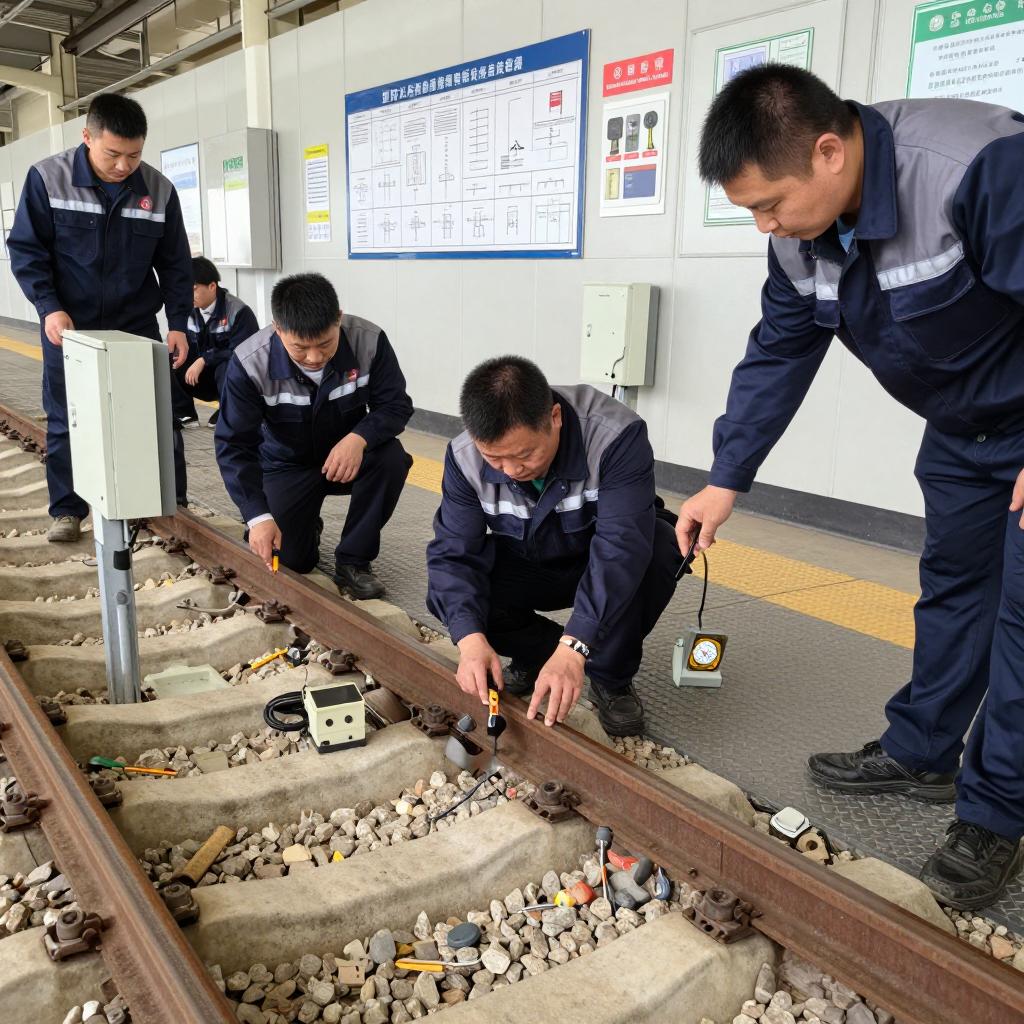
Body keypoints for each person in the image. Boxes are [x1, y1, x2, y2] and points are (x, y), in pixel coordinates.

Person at [679, 64, 1024, 909]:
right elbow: (780, 351)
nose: (766, 226)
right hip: (960, 430)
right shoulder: (801, 237)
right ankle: (922, 752)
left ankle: (998, 814)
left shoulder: (975, 167)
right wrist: (725, 480)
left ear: (828, 151)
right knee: (953, 588)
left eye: (770, 204)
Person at [426, 356, 682, 737]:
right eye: (494, 458)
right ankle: (539, 653)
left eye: (525, 454)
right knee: (456, 593)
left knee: (662, 547)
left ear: (555, 418)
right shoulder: (463, 458)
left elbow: (620, 548)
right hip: (527, 559)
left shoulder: (615, 436)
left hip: (595, 559)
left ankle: (608, 675)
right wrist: (469, 641)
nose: (511, 470)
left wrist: (576, 645)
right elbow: (454, 555)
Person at [7, 92, 192, 541]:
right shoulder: (48, 179)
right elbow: (28, 251)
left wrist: (180, 325)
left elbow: (175, 264)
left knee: (156, 414)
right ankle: (67, 511)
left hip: (136, 322)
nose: (124, 165)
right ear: (87, 136)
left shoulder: (159, 190)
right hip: (70, 326)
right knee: (68, 415)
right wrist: (49, 308)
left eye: (134, 154)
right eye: (113, 153)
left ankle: (171, 505)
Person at [215, 273, 413, 599]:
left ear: (339, 318)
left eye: (324, 344)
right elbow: (234, 444)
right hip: (285, 465)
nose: (314, 357)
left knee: (390, 457)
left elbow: (396, 406)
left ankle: (354, 561)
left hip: (345, 458)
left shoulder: (369, 340)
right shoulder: (250, 363)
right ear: (278, 330)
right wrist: (257, 516)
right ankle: (305, 526)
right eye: (300, 348)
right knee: (292, 560)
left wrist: (358, 438)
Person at [172, 256, 259, 427]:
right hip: (200, 378)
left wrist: (205, 359)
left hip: (228, 378)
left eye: (194, 289)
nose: (189, 295)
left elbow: (243, 352)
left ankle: (227, 410)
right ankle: (185, 413)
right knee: (171, 358)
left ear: (212, 286)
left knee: (229, 364)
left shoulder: (237, 311)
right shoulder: (187, 311)